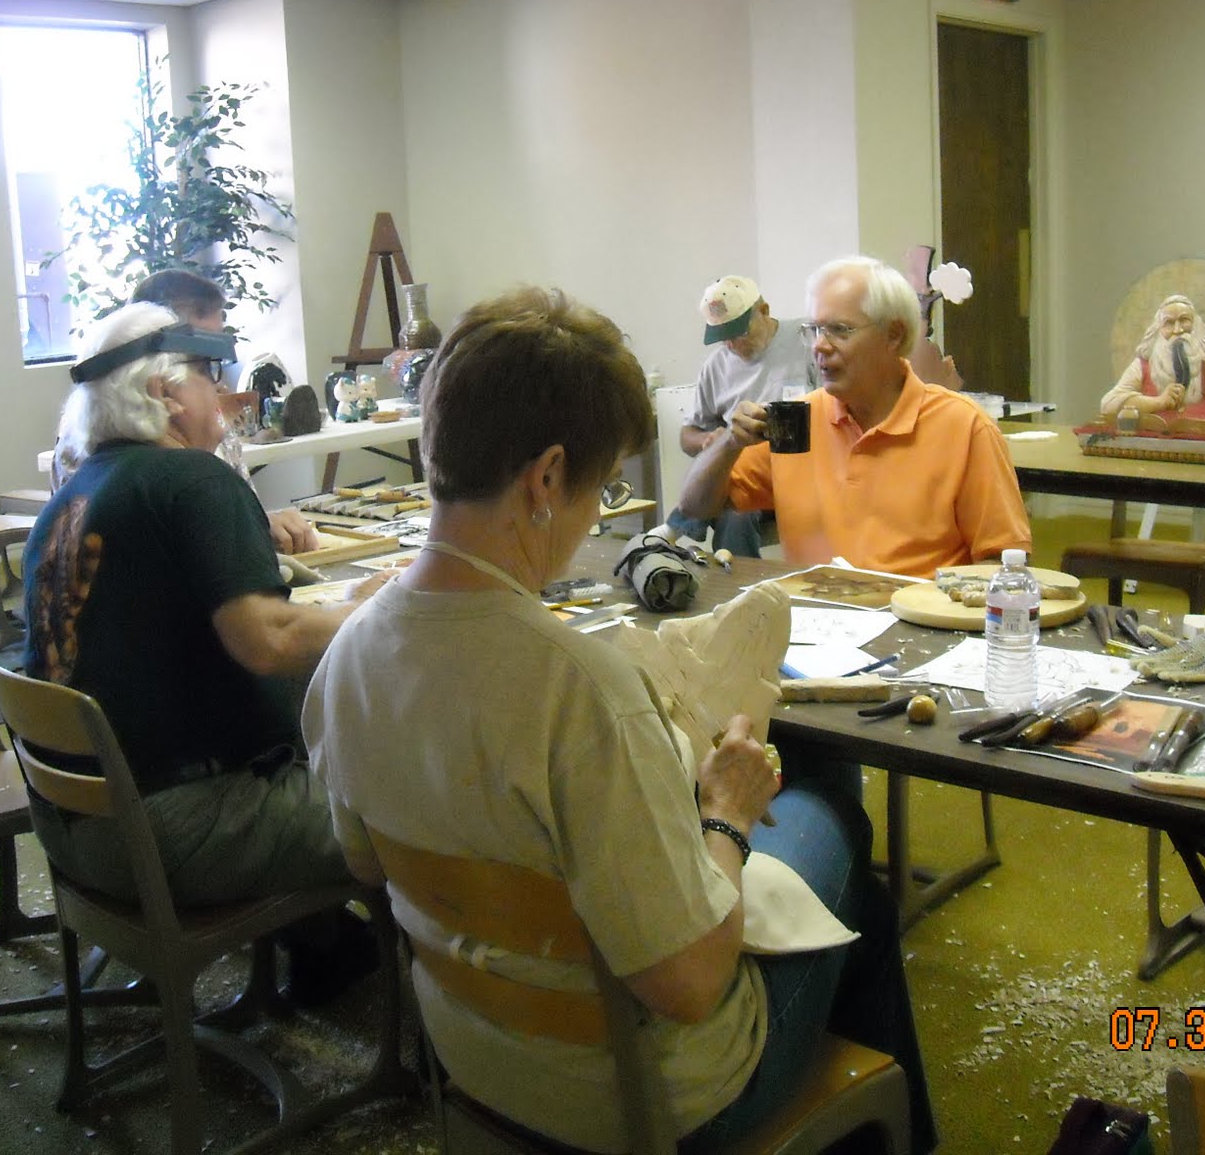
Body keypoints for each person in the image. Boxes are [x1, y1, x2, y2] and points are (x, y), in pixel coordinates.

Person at [304, 286, 936, 1154]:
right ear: (548, 478)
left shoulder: (347, 655)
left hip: (472, 1051)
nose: (595, 515)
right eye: (599, 491)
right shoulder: (580, 688)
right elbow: (690, 984)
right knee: (832, 819)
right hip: (647, 1095)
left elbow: (366, 860)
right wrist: (725, 816)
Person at [21, 302, 387, 999]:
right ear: (163, 393)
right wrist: (374, 612)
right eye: (206, 373)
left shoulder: (74, 496)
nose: (221, 390)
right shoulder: (194, 479)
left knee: (305, 746)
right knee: (412, 802)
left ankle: (327, 948)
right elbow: (269, 640)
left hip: (76, 825)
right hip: (167, 832)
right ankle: (452, 1039)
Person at [678, 255, 1031, 576]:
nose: (819, 345)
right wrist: (729, 441)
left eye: (839, 330)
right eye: (814, 330)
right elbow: (695, 507)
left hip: (921, 628)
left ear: (894, 335)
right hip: (817, 624)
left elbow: (1003, 563)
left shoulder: (963, 427)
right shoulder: (799, 420)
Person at [52, 269, 320, 556]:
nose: (215, 381)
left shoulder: (208, 421)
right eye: (200, 362)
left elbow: (232, 517)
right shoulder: (97, 437)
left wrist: (265, 523)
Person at [666, 275, 817, 556]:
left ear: (764, 311)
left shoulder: (806, 340)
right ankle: (735, 593)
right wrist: (708, 441)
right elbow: (687, 436)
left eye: (740, 333)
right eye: (724, 338)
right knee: (732, 507)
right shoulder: (716, 367)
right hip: (745, 476)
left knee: (731, 505)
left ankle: (679, 525)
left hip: (800, 471)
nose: (733, 345)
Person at [1099, 293, 1205, 424]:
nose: (1178, 330)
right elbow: (1108, 405)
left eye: (1184, 320)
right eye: (1169, 323)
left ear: (1196, 325)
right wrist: (1159, 402)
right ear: (1159, 329)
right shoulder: (1144, 364)